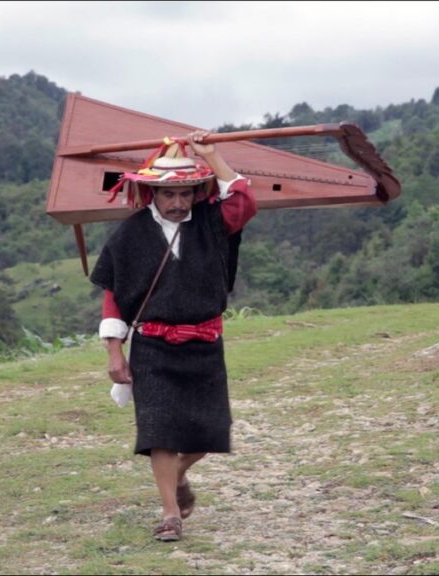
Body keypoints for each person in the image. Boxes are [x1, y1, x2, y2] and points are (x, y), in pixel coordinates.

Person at [90, 130, 257, 542]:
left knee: (207, 433)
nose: (179, 202)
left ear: (196, 191)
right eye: (170, 194)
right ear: (152, 193)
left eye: (186, 193)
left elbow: (243, 201)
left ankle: (179, 472)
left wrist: (211, 155)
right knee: (158, 431)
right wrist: (115, 353)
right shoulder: (128, 235)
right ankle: (170, 515)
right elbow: (114, 297)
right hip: (153, 347)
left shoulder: (213, 222)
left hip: (204, 344)